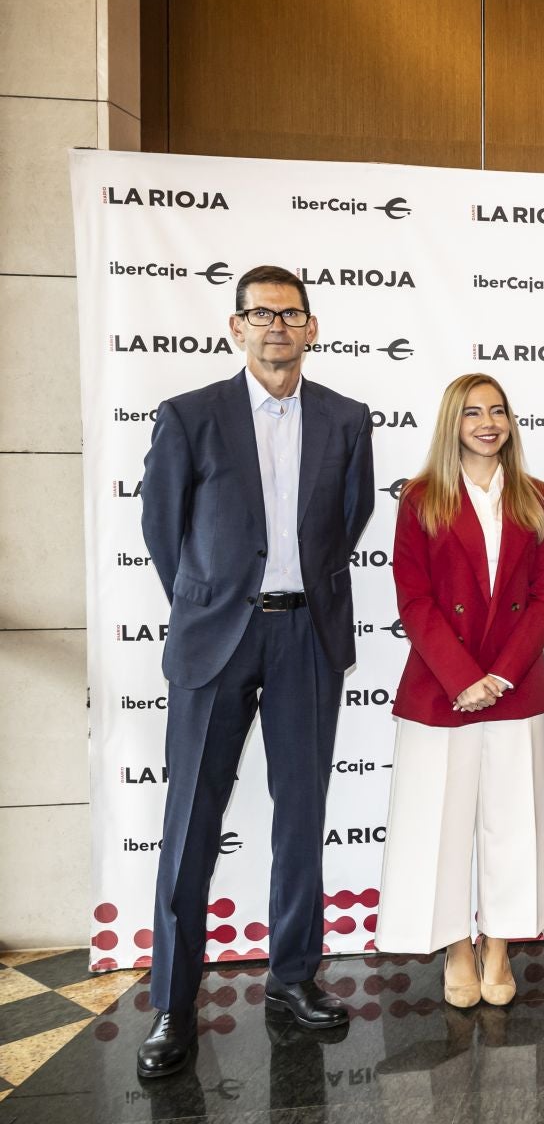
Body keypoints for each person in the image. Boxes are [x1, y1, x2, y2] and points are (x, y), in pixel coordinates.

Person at [134, 266, 375, 1078]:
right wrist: (212, 599)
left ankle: (293, 979)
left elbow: (349, 519)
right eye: (261, 314)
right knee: (190, 825)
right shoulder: (190, 415)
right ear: (235, 327)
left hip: (306, 635)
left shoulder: (346, 419)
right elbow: (164, 531)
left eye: (292, 313)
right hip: (216, 639)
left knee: (301, 817)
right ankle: (173, 1001)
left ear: (313, 328)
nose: (277, 325)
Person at [375, 373, 544, 1007]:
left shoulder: (535, 496)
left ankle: (500, 945)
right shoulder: (421, 497)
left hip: (513, 684)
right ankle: (456, 946)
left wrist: (502, 674)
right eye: (473, 412)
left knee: (514, 822)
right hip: (442, 687)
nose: (488, 422)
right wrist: (464, 678)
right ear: (452, 421)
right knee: (440, 823)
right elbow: (414, 599)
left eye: (499, 411)